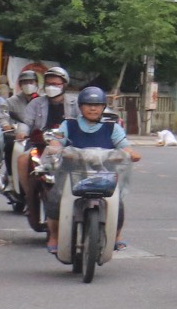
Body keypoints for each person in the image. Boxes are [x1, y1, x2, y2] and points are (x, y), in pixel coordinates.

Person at [47, 85, 141, 251]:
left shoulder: (112, 127)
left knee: (117, 203)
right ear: (80, 107)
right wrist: (56, 148)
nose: (92, 108)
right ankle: (54, 237)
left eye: (97, 105)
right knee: (55, 198)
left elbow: (124, 146)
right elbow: (56, 142)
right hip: (72, 176)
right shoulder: (68, 125)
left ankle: (116, 236)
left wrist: (131, 153)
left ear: (103, 107)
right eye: (88, 104)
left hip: (103, 177)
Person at [15, 65, 69, 219]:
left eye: (56, 84)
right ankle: (29, 197)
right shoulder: (36, 103)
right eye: (49, 84)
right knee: (23, 160)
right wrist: (23, 132)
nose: (52, 87)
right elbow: (26, 121)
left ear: (64, 85)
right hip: (39, 143)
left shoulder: (74, 103)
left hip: (66, 146)